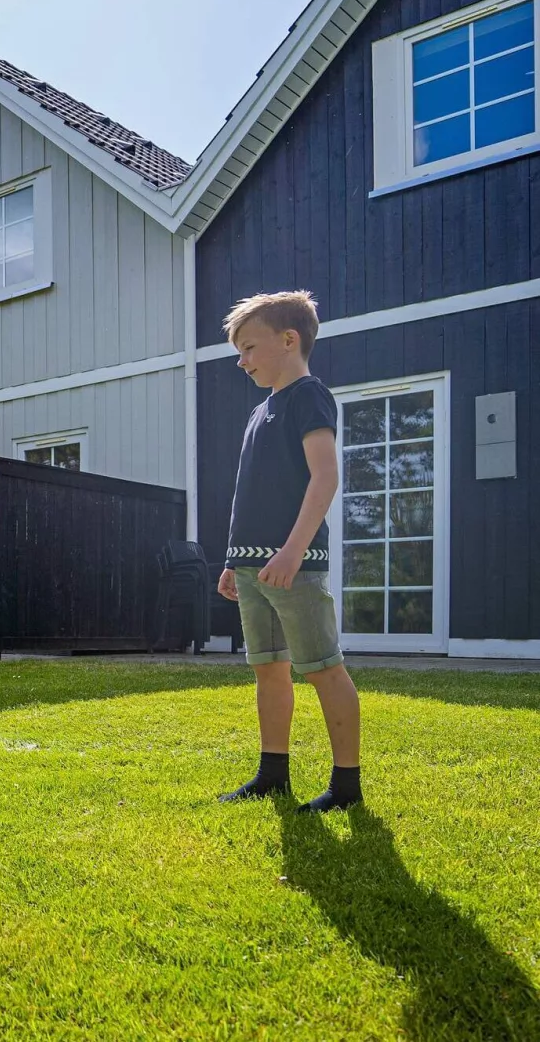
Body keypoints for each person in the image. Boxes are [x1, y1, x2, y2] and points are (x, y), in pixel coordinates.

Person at [216, 291, 362, 813]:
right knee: (268, 670)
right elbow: (251, 490)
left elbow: (325, 477)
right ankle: (272, 773)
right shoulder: (261, 410)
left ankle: (346, 785)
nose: (242, 360)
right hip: (254, 567)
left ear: (289, 339)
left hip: (292, 567)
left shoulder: (308, 395)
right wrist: (236, 559)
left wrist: (292, 551)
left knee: (322, 668)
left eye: (249, 347)